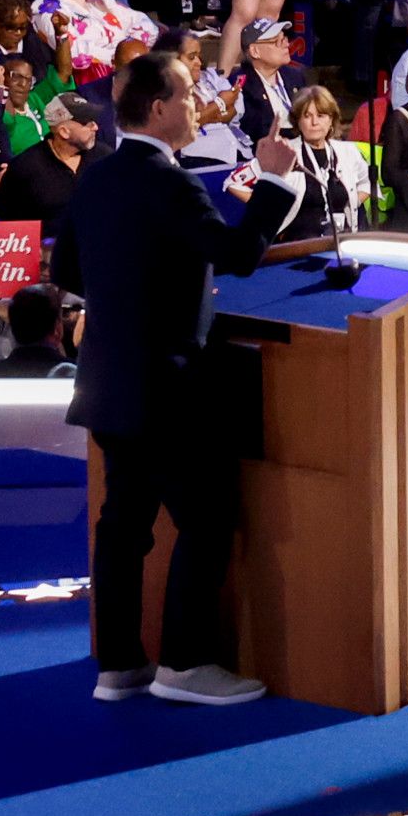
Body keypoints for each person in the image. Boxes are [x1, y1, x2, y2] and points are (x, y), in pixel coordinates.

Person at [58, 47, 301, 706]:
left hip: (107, 381)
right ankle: (185, 664)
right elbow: (239, 253)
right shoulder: (168, 180)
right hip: (164, 385)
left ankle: (120, 665)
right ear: (160, 107)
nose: (198, 105)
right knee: (208, 515)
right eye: (190, 94)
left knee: (123, 524)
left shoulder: (98, 176)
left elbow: (68, 272)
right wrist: (277, 182)